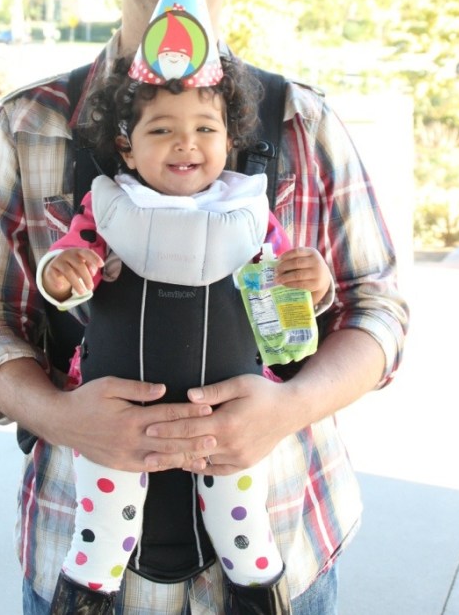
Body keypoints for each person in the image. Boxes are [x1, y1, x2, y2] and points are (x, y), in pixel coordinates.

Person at [0, 0, 409, 615]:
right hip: (79, 548)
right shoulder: (30, 124)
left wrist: (287, 407)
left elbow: (379, 309)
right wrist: (63, 417)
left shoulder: (302, 122)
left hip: (284, 544)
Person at [36, 44, 334, 614]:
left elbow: (284, 294)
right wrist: (63, 272)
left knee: (243, 528)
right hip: (114, 416)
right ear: (126, 144)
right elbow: (69, 264)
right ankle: (85, 597)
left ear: (230, 139)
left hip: (230, 417)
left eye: (205, 128)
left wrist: (311, 284)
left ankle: (259, 598)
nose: (185, 143)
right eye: (161, 129)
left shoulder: (251, 213)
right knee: (102, 531)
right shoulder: (107, 208)